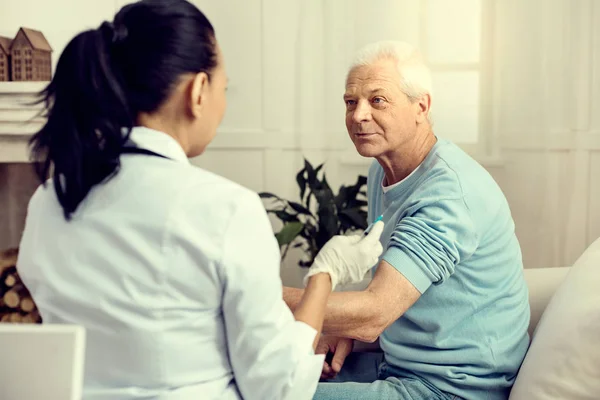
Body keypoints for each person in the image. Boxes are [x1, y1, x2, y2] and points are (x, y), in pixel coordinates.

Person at [15, 1, 385, 399]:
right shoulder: (225, 211)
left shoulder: (48, 202)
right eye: (224, 88)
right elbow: (279, 388)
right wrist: (324, 274)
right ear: (197, 91)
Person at [284, 41, 530, 400]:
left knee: (265, 390)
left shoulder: (447, 195)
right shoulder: (382, 169)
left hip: (451, 388)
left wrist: (255, 297)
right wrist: (343, 329)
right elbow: (393, 290)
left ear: (421, 106)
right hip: (398, 362)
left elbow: (375, 313)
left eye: (377, 100)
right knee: (264, 369)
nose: (358, 116)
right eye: (351, 102)